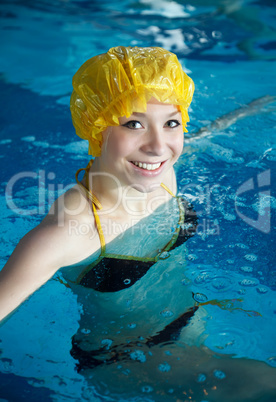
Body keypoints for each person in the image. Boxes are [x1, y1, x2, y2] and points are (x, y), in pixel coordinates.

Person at [0, 46, 275, 400]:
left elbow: (197, 138)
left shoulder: (161, 171)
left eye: (171, 123)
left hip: (191, 327)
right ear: (97, 129)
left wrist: (250, 112)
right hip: (127, 357)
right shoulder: (71, 231)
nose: (158, 146)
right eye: (134, 124)